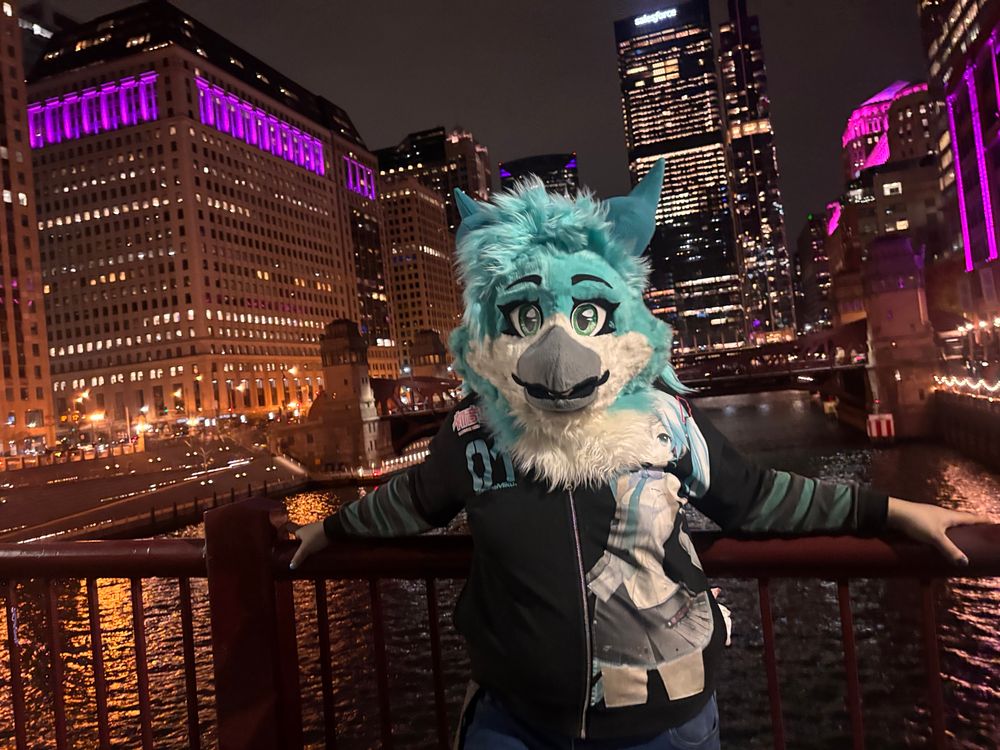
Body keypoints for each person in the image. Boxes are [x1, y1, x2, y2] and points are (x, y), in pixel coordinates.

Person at [290, 162, 988, 749]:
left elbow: (753, 498)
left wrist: (894, 512)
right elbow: (408, 503)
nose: (557, 350)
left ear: (623, 315)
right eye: (527, 317)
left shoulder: (663, 422)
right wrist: (325, 529)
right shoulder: (474, 432)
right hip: (516, 722)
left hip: (663, 722)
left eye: (588, 315)